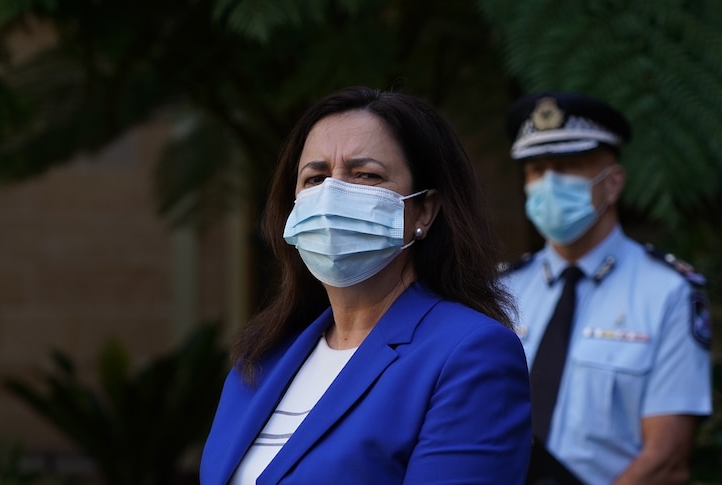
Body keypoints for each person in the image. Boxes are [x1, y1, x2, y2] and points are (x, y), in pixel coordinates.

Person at [200, 86, 532, 485]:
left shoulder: (470, 354)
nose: (332, 194)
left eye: (366, 175)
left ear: (423, 209)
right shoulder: (263, 355)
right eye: (315, 177)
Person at [500, 91, 712, 485]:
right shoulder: (502, 290)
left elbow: (665, 461)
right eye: (536, 169)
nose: (549, 183)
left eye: (569, 166)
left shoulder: (666, 293)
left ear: (612, 183)